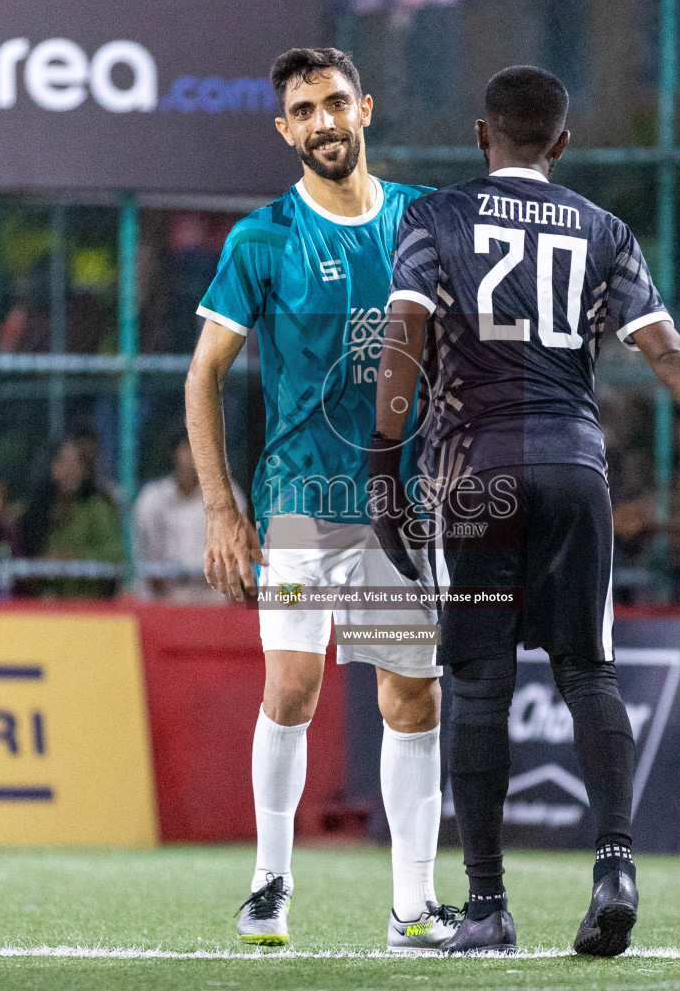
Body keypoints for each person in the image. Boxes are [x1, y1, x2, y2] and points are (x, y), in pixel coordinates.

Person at [374, 65, 680, 955]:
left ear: (480, 136)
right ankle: (614, 864)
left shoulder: (433, 218)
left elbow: (406, 338)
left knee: (480, 682)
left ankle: (487, 905)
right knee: (589, 673)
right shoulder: (603, 230)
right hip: (574, 468)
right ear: (562, 143)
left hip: (474, 476)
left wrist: (383, 467)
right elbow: (668, 349)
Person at [185, 47, 455, 952]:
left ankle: (413, 910)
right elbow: (204, 375)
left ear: (365, 108)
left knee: (411, 701)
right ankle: (269, 883)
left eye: (335, 103)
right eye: (303, 111)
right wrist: (223, 510)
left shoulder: (422, 218)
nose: (322, 122)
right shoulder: (262, 236)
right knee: (293, 688)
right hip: (301, 500)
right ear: (284, 129)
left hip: (403, 504)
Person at [132, 434, 244, 602]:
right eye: (187, 448)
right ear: (175, 452)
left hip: (213, 598)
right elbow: (144, 557)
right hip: (168, 597)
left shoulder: (228, 495)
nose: (193, 456)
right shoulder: (152, 499)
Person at [16, 437, 123, 599]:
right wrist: (43, 564)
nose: (71, 470)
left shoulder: (96, 509)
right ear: (51, 466)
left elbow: (115, 556)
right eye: (64, 463)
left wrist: (74, 559)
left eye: (76, 464)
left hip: (89, 605)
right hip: (43, 605)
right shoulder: (33, 513)